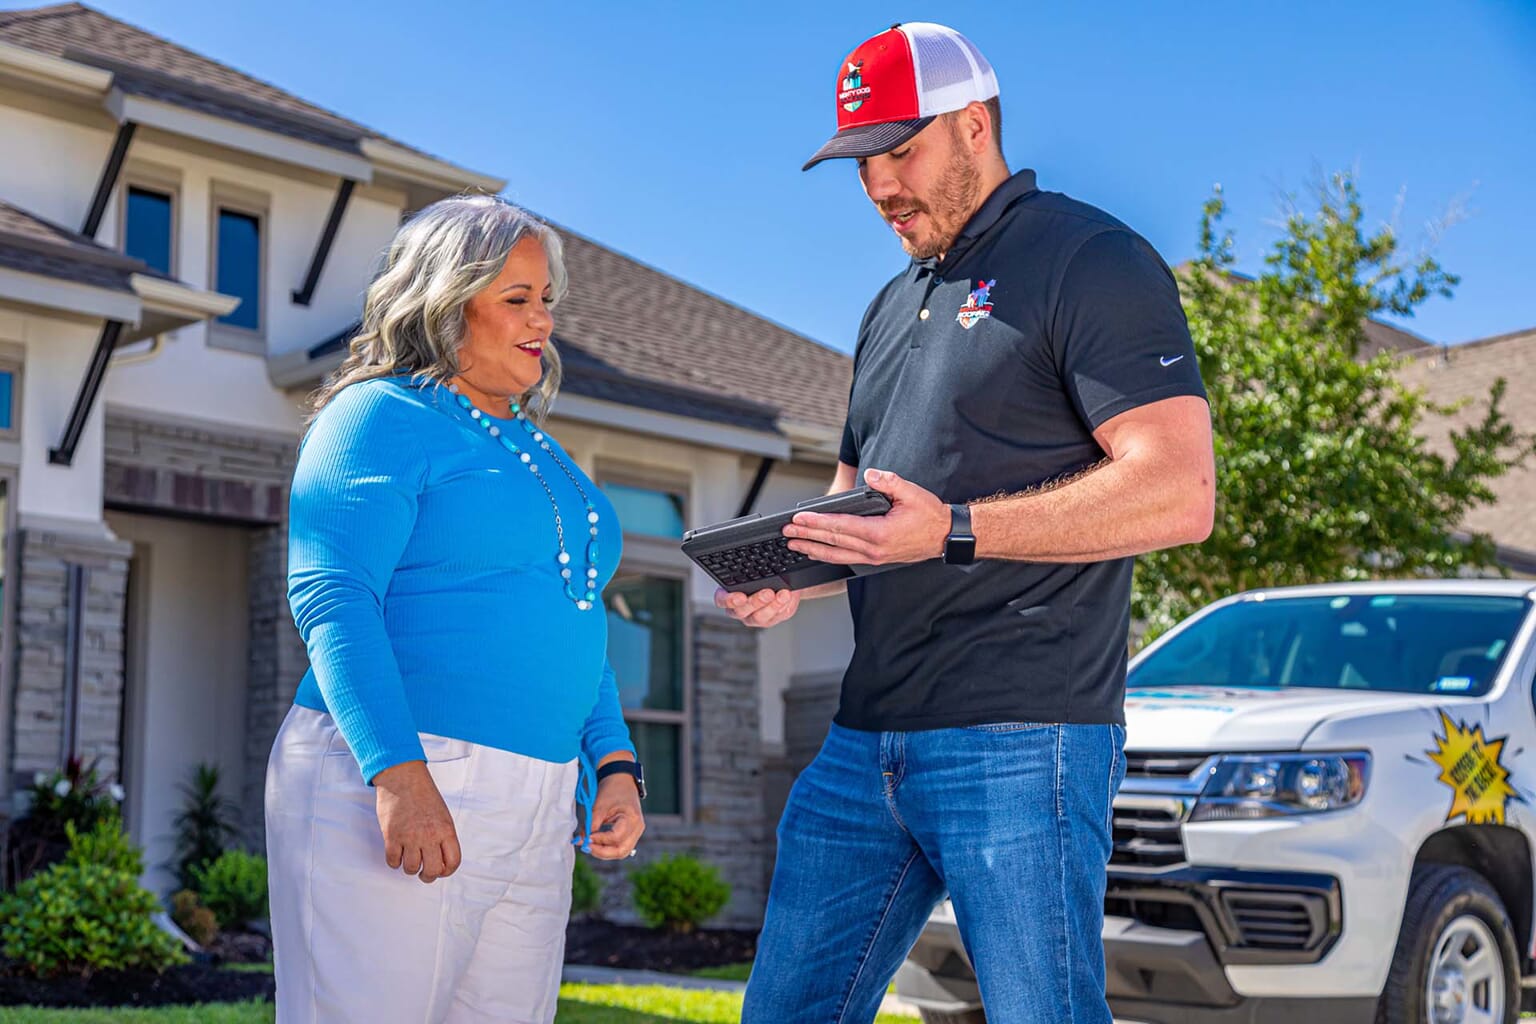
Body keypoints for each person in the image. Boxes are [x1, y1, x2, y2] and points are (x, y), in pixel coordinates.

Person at [725, 22, 1216, 1024]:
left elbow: (1177, 491)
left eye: (901, 151)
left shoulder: (1091, 259)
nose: (879, 187)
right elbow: (863, 498)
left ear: (975, 124)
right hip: (865, 741)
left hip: (1021, 735)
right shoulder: (888, 306)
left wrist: (952, 527)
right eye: (863, 160)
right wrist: (795, 562)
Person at [265, 195, 646, 1024]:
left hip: (541, 796)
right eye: (516, 299)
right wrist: (398, 772)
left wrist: (613, 765)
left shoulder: (540, 450)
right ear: (444, 300)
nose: (541, 319)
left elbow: (578, 619)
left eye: (546, 299)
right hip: (404, 769)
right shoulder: (377, 415)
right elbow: (333, 595)